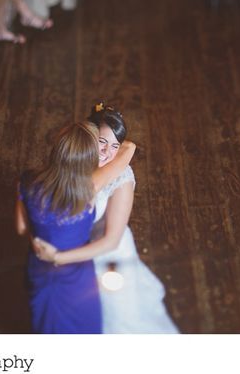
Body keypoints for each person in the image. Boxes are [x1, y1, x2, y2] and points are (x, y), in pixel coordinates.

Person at [33, 106, 178, 334]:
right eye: (102, 141)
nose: (107, 152)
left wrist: (58, 257)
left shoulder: (120, 176)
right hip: (77, 250)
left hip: (106, 255)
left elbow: (111, 241)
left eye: (114, 146)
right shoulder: (75, 161)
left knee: (117, 318)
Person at [15, 121, 135, 333]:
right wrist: (57, 257)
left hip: (40, 266)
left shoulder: (26, 182)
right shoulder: (89, 190)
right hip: (75, 271)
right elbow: (129, 150)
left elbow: (22, 228)